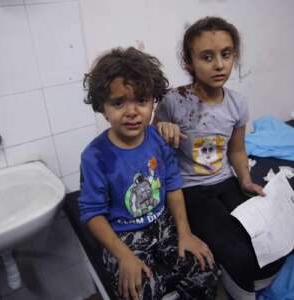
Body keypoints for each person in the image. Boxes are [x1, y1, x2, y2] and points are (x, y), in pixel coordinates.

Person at [154, 17, 284, 299]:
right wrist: (160, 129)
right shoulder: (173, 101)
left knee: (266, 240)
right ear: (189, 62)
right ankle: (234, 286)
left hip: (225, 180)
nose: (219, 64)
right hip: (190, 189)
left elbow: (236, 150)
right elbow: (151, 148)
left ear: (234, 56)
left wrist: (246, 180)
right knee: (236, 252)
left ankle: (249, 282)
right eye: (207, 57)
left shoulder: (237, 103)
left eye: (226, 54)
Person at [79, 47, 220, 300]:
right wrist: (124, 256)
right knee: (137, 292)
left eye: (141, 100)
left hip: (163, 224)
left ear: (154, 101)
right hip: (124, 236)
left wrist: (185, 233)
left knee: (205, 268)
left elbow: (173, 186)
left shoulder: (159, 139)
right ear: (103, 107)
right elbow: (92, 214)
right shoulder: (95, 156)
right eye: (119, 102)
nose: (132, 111)